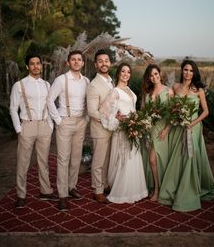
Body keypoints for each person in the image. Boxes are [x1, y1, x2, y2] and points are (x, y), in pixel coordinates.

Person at [158, 59, 214, 212]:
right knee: (179, 157)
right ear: (182, 71)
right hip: (179, 128)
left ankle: (188, 192)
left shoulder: (198, 89)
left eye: (191, 70)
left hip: (193, 128)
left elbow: (205, 111)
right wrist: (167, 128)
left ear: (194, 72)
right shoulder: (176, 87)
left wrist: (193, 123)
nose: (188, 73)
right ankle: (175, 187)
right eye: (185, 70)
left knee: (190, 157)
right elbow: (172, 110)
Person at [10, 54, 57, 208]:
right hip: (27, 126)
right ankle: (21, 195)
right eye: (32, 64)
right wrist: (19, 129)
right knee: (23, 162)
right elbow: (13, 109)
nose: (36, 66)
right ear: (27, 67)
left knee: (43, 161)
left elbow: (50, 106)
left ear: (41, 66)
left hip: (44, 126)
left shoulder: (47, 85)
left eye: (38, 63)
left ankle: (45, 191)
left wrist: (50, 125)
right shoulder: (19, 85)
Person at [100, 63, 148, 203]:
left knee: (133, 157)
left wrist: (136, 122)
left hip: (133, 128)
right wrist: (118, 119)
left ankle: (135, 190)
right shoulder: (115, 91)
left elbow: (131, 108)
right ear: (118, 74)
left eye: (128, 72)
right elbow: (104, 111)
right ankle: (122, 191)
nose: (126, 74)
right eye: (123, 71)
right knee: (124, 158)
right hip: (123, 129)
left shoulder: (129, 90)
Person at [47, 50, 89, 211]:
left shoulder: (86, 80)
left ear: (83, 63)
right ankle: (62, 195)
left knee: (76, 158)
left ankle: (72, 187)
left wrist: (86, 119)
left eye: (79, 60)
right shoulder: (61, 80)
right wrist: (58, 120)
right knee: (63, 159)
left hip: (80, 123)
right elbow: (50, 100)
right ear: (68, 63)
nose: (77, 62)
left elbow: (89, 102)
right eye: (73, 60)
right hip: (65, 121)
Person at [141, 64, 173, 201]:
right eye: (151, 75)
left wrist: (166, 129)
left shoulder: (169, 91)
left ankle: (159, 190)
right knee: (153, 160)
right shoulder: (147, 94)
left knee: (156, 159)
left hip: (162, 129)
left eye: (156, 74)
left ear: (160, 73)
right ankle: (156, 187)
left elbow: (173, 113)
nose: (154, 77)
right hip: (150, 129)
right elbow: (144, 111)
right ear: (149, 78)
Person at [86, 49, 113, 203]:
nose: (104, 63)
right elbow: (92, 111)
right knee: (98, 160)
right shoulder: (93, 85)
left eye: (106, 60)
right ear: (96, 64)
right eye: (100, 61)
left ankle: (104, 184)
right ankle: (97, 190)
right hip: (100, 129)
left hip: (111, 129)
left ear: (110, 63)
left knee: (107, 159)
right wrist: (109, 120)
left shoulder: (111, 81)